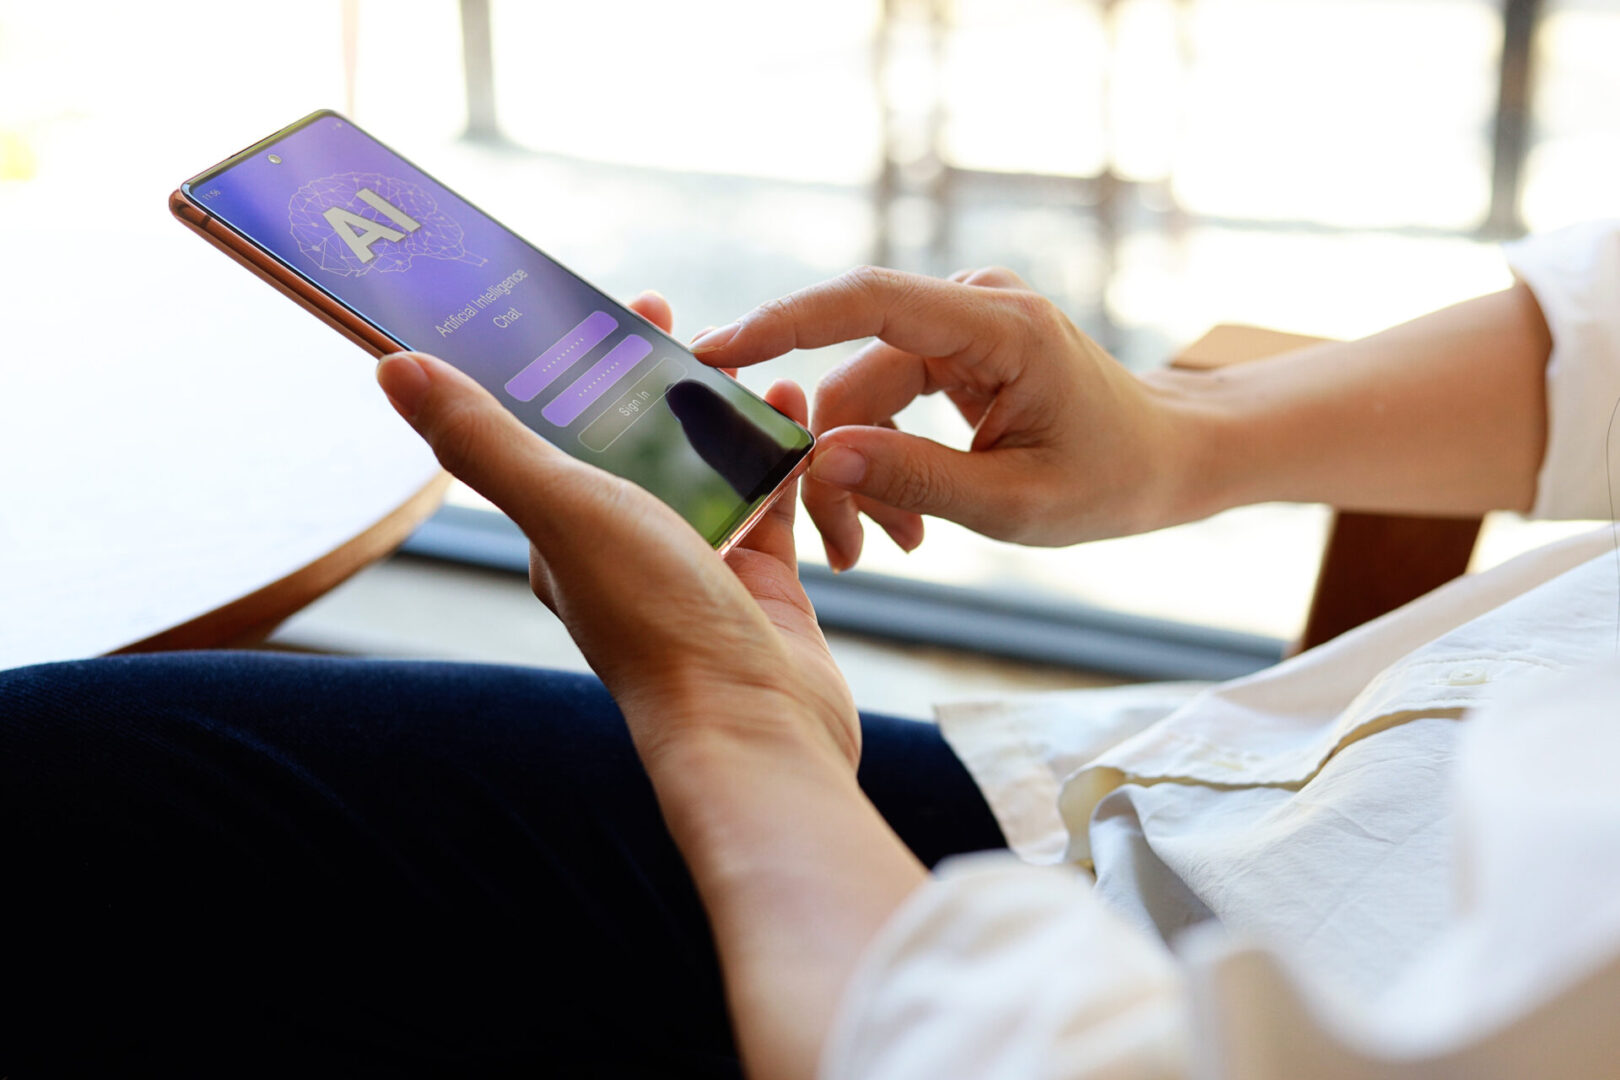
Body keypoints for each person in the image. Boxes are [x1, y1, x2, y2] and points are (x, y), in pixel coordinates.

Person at [4, 219, 1619, 1078]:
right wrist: (1184, 433)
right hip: (1181, 813)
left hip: (1045, 1005)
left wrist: (731, 718)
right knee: (87, 787)